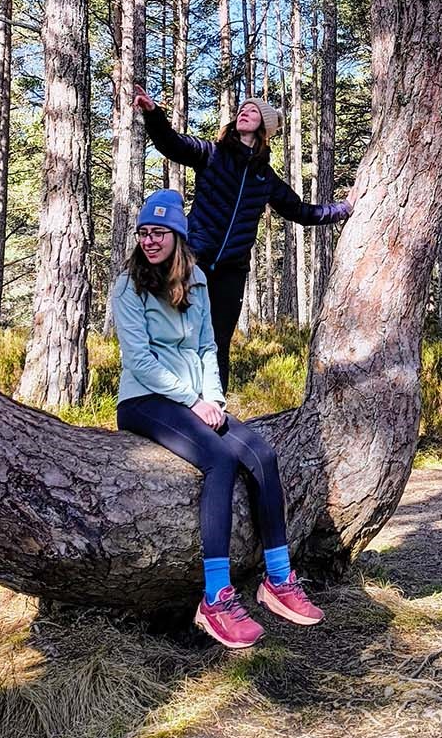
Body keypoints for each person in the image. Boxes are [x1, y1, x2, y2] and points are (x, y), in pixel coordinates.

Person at [111, 188, 324, 649]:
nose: (149, 241)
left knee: (262, 454)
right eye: (144, 233)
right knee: (220, 461)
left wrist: (215, 399)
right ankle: (216, 597)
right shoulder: (128, 285)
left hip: (196, 399)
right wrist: (193, 400)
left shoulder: (199, 280)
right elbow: (141, 361)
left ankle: (280, 580)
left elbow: (208, 347)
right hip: (146, 400)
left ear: (177, 238)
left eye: (158, 233)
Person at [131, 85, 354, 393]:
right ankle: (163, 402)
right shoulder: (211, 154)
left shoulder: (266, 179)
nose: (243, 112)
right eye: (241, 109)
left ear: (263, 126)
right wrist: (154, 114)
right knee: (176, 333)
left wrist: (344, 208)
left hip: (232, 270)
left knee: (217, 342)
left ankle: (213, 407)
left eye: (251, 111)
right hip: (194, 260)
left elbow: (301, 211)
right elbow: (171, 143)